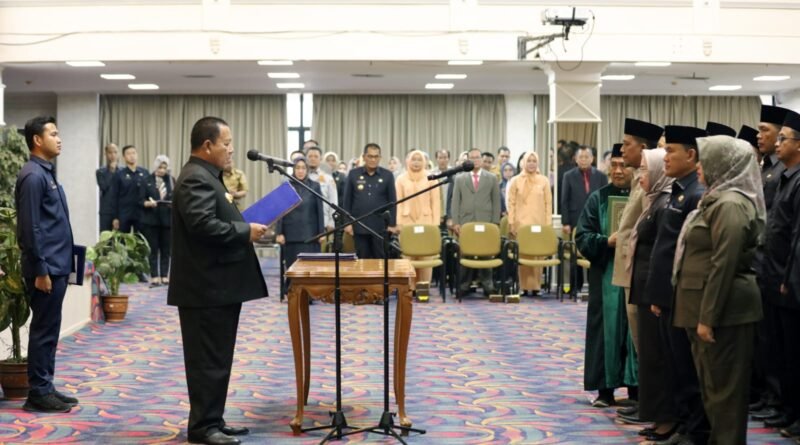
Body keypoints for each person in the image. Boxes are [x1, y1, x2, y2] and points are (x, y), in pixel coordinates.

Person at [168, 116, 268, 445]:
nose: (231, 149)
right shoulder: (195, 178)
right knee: (207, 361)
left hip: (216, 285)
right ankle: (202, 427)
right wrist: (245, 231)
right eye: (226, 143)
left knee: (217, 358)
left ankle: (213, 419)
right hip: (204, 287)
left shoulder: (207, 175)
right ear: (207, 145)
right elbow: (202, 226)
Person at [673, 135, 765, 444]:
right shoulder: (716, 199)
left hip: (725, 313)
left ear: (723, 164)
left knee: (725, 396)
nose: (699, 166)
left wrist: (707, 318)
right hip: (707, 309)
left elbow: (724, 264)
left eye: (706, 159)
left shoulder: (731, 205)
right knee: (713, 392)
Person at [639, 125, 710, 444]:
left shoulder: (696, 194)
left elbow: (688, 253)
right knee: (675, 366)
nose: (664, 156)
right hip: (667, 294)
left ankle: (695, 430)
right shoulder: (680, 190)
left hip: (681, 295)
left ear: (691, 155)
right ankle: (684, 424)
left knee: (687, 367)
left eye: (671, 151)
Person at [15, 116, 79, 413]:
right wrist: (41, 269)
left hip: (56, 265)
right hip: (46, 269)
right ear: (37, 140)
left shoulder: (46, 173)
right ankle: (38, 393)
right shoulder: (33, 176)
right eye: (53, 134)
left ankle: (46, 386)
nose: (59, 138)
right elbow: (30, 228)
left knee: (50, 329)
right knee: (43, 330)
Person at [610, 119, 663, 427]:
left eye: (627, 144)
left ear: (643, 148)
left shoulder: (652, 181)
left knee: (647, 344)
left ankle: (652, 405)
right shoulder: (638, 178)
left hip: (640, 271)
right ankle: (647, 401)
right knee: (640, 342)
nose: (621, 149)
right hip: (630, 269)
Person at [575, 144, 637, 408]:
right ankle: (605, 390)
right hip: (606, 275)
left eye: (624, 166)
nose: (618, 171)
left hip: (636, 276)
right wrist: (605, 242)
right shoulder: (598, 199)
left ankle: (636, 390)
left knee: (635, 332)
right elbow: (582, 236)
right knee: (605, 331)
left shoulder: (643, 196)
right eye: (614, 165)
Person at [627, 148, 673, 436]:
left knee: (658, 358)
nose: (640, 175)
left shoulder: (664, 204)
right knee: (649, 357)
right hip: (644, 288)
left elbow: (662, 254)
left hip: (653, 292)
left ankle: (666, 419)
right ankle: (656, 416)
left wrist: (656, 294)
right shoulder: (653, 201)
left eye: (645, 169)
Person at [760, 110, 800, 433]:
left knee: (793, 352)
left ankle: (794, 413)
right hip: (773, 277)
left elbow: (797, 238)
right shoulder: (787, 177)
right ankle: (786, 408)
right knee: (780, 350)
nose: (777, 143)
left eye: (783, 138)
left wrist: (788, 279)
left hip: (789, 283)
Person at [751, 104, 791, 423]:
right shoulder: (768, 167)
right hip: (763, 262)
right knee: (765, 336)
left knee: (776, 339)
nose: (759, 135)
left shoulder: (782, 171)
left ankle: (776, 398)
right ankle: (768, 395)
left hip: (777, 265)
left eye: (765, 130)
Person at [451, 148, 501, 296]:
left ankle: (488, 286)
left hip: (486, 222)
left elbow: (496, 202)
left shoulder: (491, 178)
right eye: (472, 158)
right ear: (468, 160)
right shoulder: (460, 178)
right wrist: (456, 222)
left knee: (486, 254)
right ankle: (464, 286)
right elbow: (455, 202)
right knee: (465, 254)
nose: (475, 160)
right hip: (466, 223)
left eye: (478, 157)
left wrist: (495, 223)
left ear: (481, 159)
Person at [561, 146, 608, 296]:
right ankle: (575, 287)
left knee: (594, 253)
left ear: (592, 159)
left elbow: (605, 199)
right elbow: (564, 200)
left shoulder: (601, 176)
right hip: (575, 219)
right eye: (581, 157)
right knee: (575, 255)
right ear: (576, 159)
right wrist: (566, 222)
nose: (583, 160)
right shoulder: (568, 176)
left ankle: (595, 287)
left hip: (596, 220)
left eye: (587, 157)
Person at [506, 152, 552, 296]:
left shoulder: (544, 181)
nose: (531, 163)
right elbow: (511, 203)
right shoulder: (516, 181)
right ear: (524, 162)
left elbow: (548, 204)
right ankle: (523, 287)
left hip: (539, 224)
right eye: (529, 161)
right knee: (524, 256)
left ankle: (536, 287)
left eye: (534, 161)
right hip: (521, 225)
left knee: (537, 255)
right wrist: (511, 222)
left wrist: (548, 225)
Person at [342, 143, 397, 259]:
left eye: (376, 156)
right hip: (359, 225)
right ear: (364, 157)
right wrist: (347, 223)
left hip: (381, 227)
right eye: (370, 156)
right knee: (362, 259)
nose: (373, 159)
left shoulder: (388, 175)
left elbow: (392, 201)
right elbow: (347, 200)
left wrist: (392, 224)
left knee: (381, 259)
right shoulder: (353, 174)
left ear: (380, 158)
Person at [395, 149, 441, 284]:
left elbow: (435, 202)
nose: (416, 162)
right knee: (408, 257)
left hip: (426, 222)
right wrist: (398, 222)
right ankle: (409, 288)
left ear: (425, 162)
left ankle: (423, 288)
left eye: (419, 159)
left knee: (426, 258)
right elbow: (398, 202)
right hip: (406, 222)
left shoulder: (431, 178)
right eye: (413, 159)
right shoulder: (400, 179)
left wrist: (435, 225)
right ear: (408, 161)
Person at [276, 157, 324, 283]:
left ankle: (309, 292)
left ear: (307, 170)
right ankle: (291, 290)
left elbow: (319, 210)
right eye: (297, 168)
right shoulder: (286, 186)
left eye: (303, 168)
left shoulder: (315, 186)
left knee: (310, 269)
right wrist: (279, 232)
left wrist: (321, 232)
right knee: (292, 268)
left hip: (310, 235)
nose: (300, 171)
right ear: (293, 169)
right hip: (290, 234)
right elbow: (280, 211)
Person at [140, 155, 174, 287]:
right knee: (153, 249)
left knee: (166, 250)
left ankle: (165, 275)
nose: (162, 170)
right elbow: (140, 200)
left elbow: (176, 197)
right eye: (160, 167)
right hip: (151, 220)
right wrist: (149, 203)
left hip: (167, 220)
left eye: (164, 168)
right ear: (155, 167)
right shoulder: (146, 180)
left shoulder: (171, 180)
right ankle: (154, 276)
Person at [113, 145, 149, 233]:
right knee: (123, 239)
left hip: (141, 213)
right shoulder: (119, 174)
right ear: (124, 157)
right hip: (124, 213)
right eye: (128, 154)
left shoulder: (145, 173)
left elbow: (148, 193)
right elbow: (114, 197)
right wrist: (115, 217)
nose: (132, 156)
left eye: (134, 153)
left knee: (140, 239)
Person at [305, 146, 338, 232]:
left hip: (323, 222)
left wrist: (331, 222)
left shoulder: (328, 178)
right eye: (310, 156)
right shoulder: (300, 177)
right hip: (303, 223)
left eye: (316, 156)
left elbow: (333, 201)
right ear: (306, 158)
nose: (313, 159)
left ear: (321, 159)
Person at [96, 143, 119, 232]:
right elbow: (104, 187)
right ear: (105, 154)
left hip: (120, 210)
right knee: (105, 237)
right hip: (106, 211)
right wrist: (111, 172)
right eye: (110, 152)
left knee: (121, 238)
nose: (113, 155)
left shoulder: (122, 171)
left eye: (115, 152)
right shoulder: (100, 172)